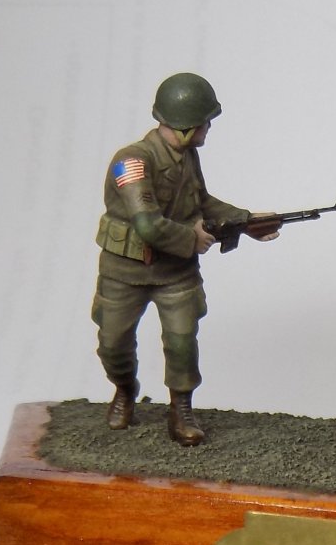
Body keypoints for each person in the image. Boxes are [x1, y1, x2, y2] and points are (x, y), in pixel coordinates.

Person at [91, 72, 278, 446]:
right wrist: (192, 239)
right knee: (113, 343)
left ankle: (181, 409)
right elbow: (147, 224)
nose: (209, 128)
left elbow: (201, 202)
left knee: (181, 342)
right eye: (205, 122)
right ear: (187, 124)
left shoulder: (187, 156)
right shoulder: (132, 162)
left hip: (175, 272)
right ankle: (124, 390)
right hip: (125, 271)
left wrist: (246, 221)